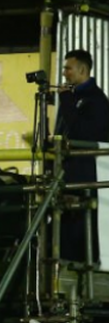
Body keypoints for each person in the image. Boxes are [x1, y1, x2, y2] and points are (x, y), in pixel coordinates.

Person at [54, 49, 109, 262]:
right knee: (67, 223)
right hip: (67, 173)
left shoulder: (96, 101)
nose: (64, 73)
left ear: (83, 70)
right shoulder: (73, 98)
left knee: (81, 226)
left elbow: (83, 133)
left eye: (68, 68)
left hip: (86, 175)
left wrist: (66, 100)